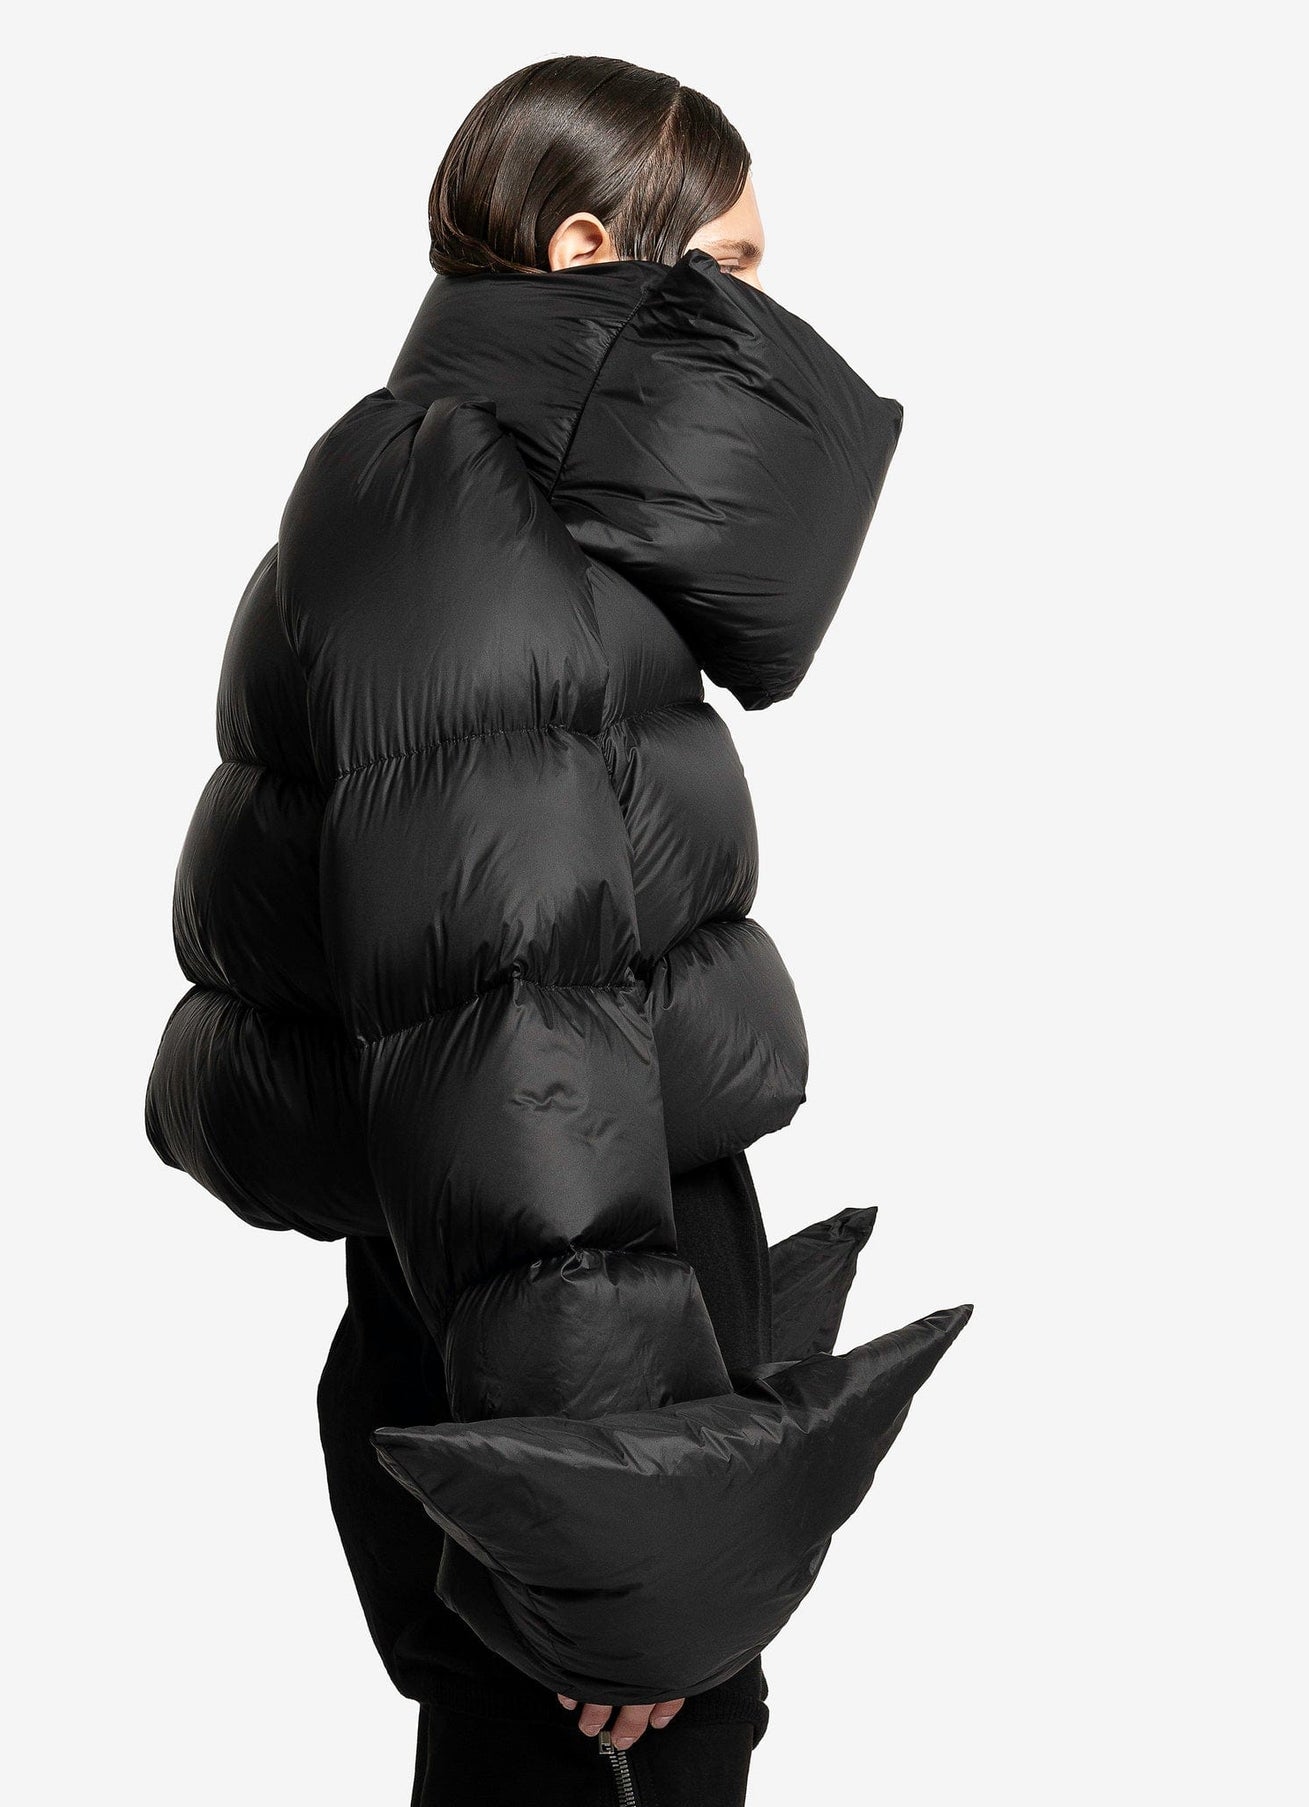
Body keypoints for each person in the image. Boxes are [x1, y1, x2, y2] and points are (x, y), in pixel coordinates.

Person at [147, 54, 969, 1807]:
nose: (761, 317)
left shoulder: (481, 499)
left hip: (568, 1286)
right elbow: (509, 1012)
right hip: (564, 1317)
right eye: (725, 269)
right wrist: (619, 1549)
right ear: (588, 249)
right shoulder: (464, 517)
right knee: (590, 1751)